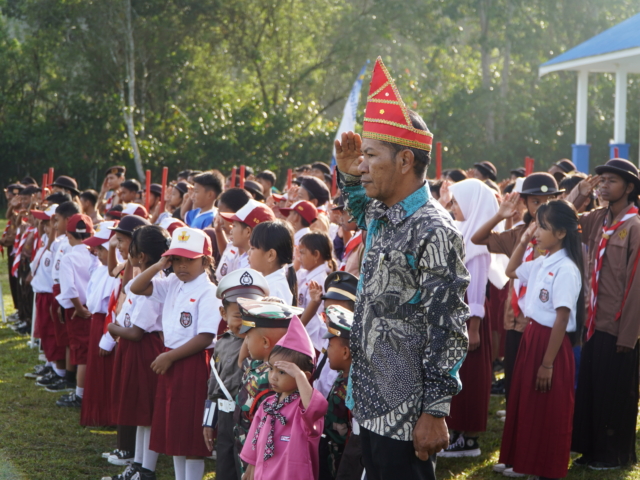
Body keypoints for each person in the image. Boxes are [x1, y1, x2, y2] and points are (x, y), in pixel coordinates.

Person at [334, 57, 469, 480]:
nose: (362, 165)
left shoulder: (434, 229)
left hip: (407, 410)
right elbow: (357, 206)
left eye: (371, 156)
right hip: (370, 396)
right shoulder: (383, 212)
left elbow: (447, 324)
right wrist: (348, 177)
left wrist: (435, 410)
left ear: (406, 161)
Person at [498, 200, 584, 478]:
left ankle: (545, 467)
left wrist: (547, 364)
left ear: (561, 233)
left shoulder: (566, 268)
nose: (537, 232)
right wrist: (523, 240)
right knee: (529, 402)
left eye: (542, 227)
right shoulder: (543, 260)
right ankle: (527, 462)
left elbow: (561, 318)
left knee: (549, 408)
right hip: (533, 336)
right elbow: (511, 271)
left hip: (550, 344)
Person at [130, 226, 221, 480]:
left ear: (205, 260)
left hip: (191, 363)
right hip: (171, 360)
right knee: (175, 432)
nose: (181, 266)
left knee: (190, 436)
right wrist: (160, 265)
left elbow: (205, 337)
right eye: (176, 259)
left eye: (188, 260)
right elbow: (136, 287)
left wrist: (169, 357)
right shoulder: (172, 282)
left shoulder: (208, 291)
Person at [568, 159, 640, 470]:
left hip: (617, 325)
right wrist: (579, 193)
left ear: (630, 187)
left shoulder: (634, 227)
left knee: (615, 392)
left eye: (612, 181)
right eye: (602, 180)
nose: (604, 185)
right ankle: (591, 449)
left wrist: (628, 334)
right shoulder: (599, 219)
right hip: (593, 323)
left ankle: (612, 454)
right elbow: (561, 222)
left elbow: (637, 286)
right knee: (592, 389)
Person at [470, 173, 563, 400]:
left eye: (549, 200)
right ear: (525, 203)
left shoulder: (560, 236)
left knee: (538, 387)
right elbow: (478, 239)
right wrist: (499, 216)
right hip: (514, 321)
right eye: (536, 202)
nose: (542, 206)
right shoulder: (518, 235)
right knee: (514, 383)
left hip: (543, 323)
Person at [438, 179, 504, 458]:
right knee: (457, 373)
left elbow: (476, 289)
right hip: (459, 313)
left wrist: (473, 328)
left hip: (469, 316)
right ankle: (456, 431)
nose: (453, 208)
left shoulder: (477, 243)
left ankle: (468, 438)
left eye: (456, 202)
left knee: (470, 375)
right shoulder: (464, 231)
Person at [107, 225, 168, 480]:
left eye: (130, 247)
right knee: (140, 414)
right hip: (134, 349)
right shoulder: (141, 278)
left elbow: (137, 332)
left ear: (141, 255)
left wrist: (112, 327)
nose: (127, 251)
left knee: (147, 412)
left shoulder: (155, 284)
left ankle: (146, 469)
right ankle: (139, 463)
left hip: (145, 350)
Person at [240, 314, 328, 480]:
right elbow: (255, 438)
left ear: (305, 376)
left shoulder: (302, 407)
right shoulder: (268, 403)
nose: (273, 376)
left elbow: (315, 409)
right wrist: (251, 468)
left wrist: (299, 376)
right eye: (271, 368)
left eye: (282, 372)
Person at [203, 268, 270, 480]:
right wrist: (208, 422)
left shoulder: (262, 346)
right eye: (239, 315)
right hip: (224, 418)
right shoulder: (221, 344)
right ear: (223, 314)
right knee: (224, 468)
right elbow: (213, 386)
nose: (246, 321)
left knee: (246, 469)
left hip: (248, 420)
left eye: (251, 314)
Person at [234, 298, 304, 478]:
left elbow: (268, 428)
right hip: (246, 448)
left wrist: (251, 462)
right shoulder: (258, 366)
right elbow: (242, 361)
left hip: (262, 458)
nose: (246, 342)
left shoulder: (273, 379)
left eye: (248, 337)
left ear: (265, 342)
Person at [55, 214, 100, 408]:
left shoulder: (69, 257)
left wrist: (79, 307)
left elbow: (70, 288)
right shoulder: (94, 255)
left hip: (78, 309)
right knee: (88, 349)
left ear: (68, 235)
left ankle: (81, 395)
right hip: (92, 307)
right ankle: (84, 391)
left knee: (81, 352)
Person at [80, 220, 119, 427]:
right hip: (96, 323)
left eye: (101, 248)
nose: (96, 252)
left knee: (106, 374)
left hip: (106, 327)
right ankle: (98, 413)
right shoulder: (100, 270)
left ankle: (108, 415)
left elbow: (115, 309)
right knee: (97, 373)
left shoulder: (116, 274)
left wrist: (109, 338)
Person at [25, 204, 66, 381]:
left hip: (51, 295)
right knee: (45, 332)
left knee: (52, 333)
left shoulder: (59, 244)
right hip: (42, 293)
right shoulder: (46, 241)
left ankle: (58, 371)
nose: (44, 227)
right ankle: (50, 364)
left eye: (47, 223)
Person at [319, 305, 355, 480]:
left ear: (345, 352)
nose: (326, 350)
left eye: (330, 345)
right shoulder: (343, 377)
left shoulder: (353, 386)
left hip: (345, 460)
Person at [297, 232, 337, 352]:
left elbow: (316, 314)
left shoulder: (319, 281)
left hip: (314, 338)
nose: (299, 257)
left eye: (303, 253)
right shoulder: (308, 275)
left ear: (316, 255)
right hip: (307, 334)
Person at [219, 199, 276, 274]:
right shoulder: (244, 258)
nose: (231, 231)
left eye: (234, 226)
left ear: (248, 231)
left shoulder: (256, 267)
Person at [248, 220, 297, 305]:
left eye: (252, 248)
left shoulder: (274, 289)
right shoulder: (270, 282)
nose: (248, 252)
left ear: (270, 255)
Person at [214, 188, 252, 281]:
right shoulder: (235, 241)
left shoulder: (242, 245)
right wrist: (218, 231)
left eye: (222, 213)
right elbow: (226, 254)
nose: (219, 217)